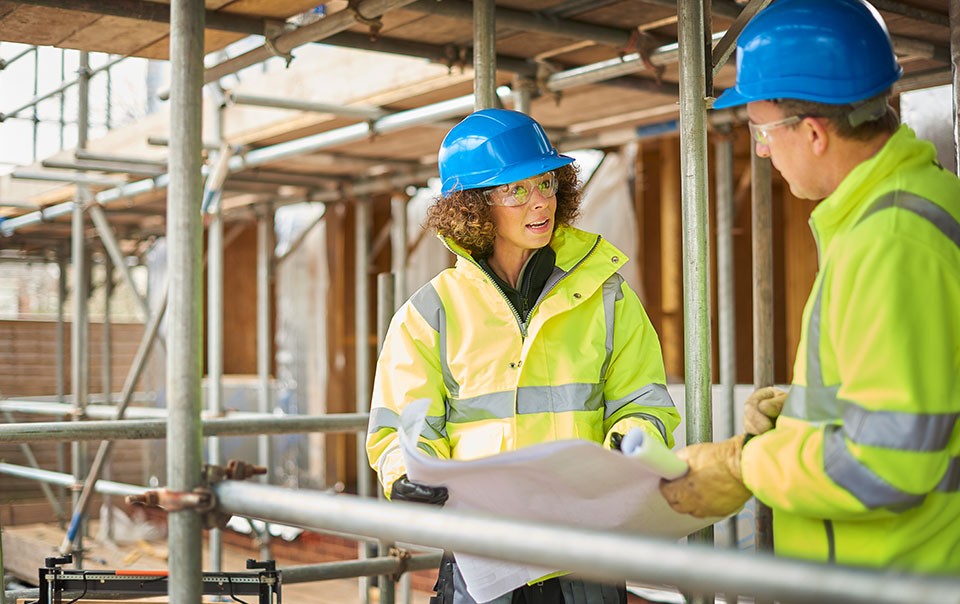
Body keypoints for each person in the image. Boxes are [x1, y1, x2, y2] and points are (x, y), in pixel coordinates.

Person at [660, 0, 960, 575]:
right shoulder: (912, 207)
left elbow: (887, 465)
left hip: (896, 577)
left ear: (815, 132)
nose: (763, 151)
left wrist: (745, 465)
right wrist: (801, 416)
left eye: (761, 131)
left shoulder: (890, 242)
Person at [366, 107, 680, 603]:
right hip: (484, 555)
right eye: (515, 190)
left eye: (546, 184)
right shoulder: (431, 311)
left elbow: (643, 401)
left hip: (585, 546)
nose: (540, 203)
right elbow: (398, 429)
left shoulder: (607, 295)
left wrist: (626, 447)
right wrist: (407, 475)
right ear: (473, 206)